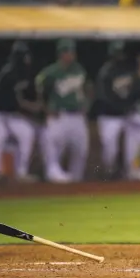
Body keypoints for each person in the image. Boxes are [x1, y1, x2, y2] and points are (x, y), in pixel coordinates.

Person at [0, 41, 37, 182]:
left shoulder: (24, 73)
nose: (28, 59)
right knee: (0, 133)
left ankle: (21, 172)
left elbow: (20, 99)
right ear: (19, 58)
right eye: (25, 56)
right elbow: (10, 102)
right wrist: (30, 109)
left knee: (27, 133)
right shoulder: (8, 74)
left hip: (7, 113)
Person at [35, 39, 90, 183]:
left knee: (81, 150)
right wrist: (45, 108)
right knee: (54, 150)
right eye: (67, 52)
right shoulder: (51, 72)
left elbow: (88, 88)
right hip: (59, 116)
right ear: (60, 54)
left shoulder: (79, 70)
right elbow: (38, 88)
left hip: (77, 116)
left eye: (72, 51)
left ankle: (76, 182)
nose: (70, 55)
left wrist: (86, 104)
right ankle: (53, 178)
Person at [94, 41, 134, 179]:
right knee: (110, 149)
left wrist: (128, 107)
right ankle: (108, 176)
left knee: (132, 145)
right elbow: (103, 96)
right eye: (117, 53)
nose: (120, 56)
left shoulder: (127, 71)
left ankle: (129, 174)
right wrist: (122, 106)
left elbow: (131, 92)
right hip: (109, 116)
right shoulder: (106, 72)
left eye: (121, 53)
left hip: (124, 116)